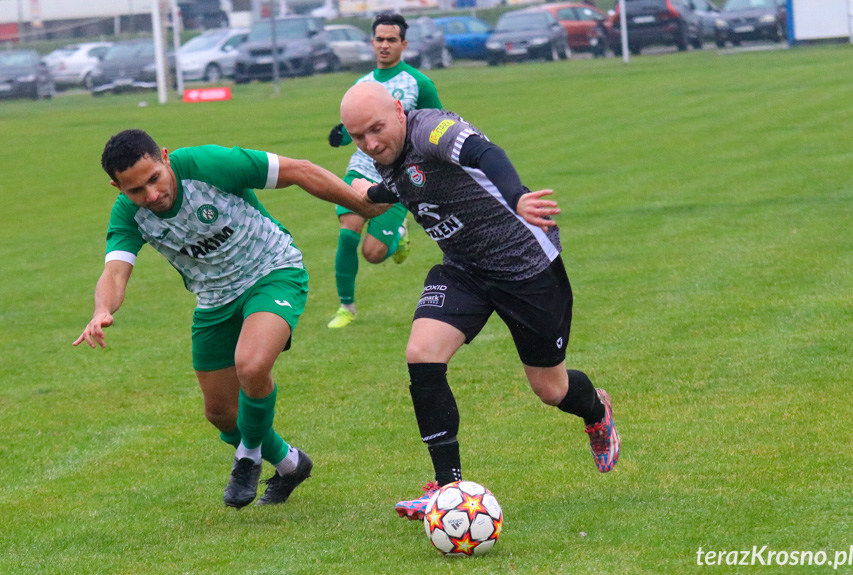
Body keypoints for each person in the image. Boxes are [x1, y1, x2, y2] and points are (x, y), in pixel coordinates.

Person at [339, 83, 621, 519]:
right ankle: (446, 489)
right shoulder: (386, 158)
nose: (371, 143)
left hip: (525, 268)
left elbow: (483, 154)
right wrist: (360, 193)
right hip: (464, 269)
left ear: (399, 110)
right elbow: (397, 189)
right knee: (421, 354)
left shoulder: (431, 129)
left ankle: (596, 410)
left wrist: (516, 198)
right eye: (359, 137)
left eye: (376, 129)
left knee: (551, 389)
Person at [73, 129, 384, 509]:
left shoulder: (211, 164)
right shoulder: (129, 214)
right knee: (221, 413)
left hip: (272, 271)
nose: (151, 195)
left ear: (165, 157)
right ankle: (290, 463)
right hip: (214, 300)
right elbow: (115, 272)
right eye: (136, 190)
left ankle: (248, 456)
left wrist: (360, 203)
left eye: (154, 179)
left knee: (251, 367)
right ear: (117, 187)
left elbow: (300, 170)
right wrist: (102, 309)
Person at [324, 12, 443, 329]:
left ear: (403, 44)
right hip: (361, 168)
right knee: (348, 232)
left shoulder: (419, 83)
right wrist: (342, 133)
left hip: (398, 176)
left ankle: (399, 232)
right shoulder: (361, 85)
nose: (385, 45)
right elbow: (355, 124)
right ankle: (346, 308)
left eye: (392, 40)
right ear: (372, 42)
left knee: (373, 254)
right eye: (379, 39)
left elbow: (436, 125)